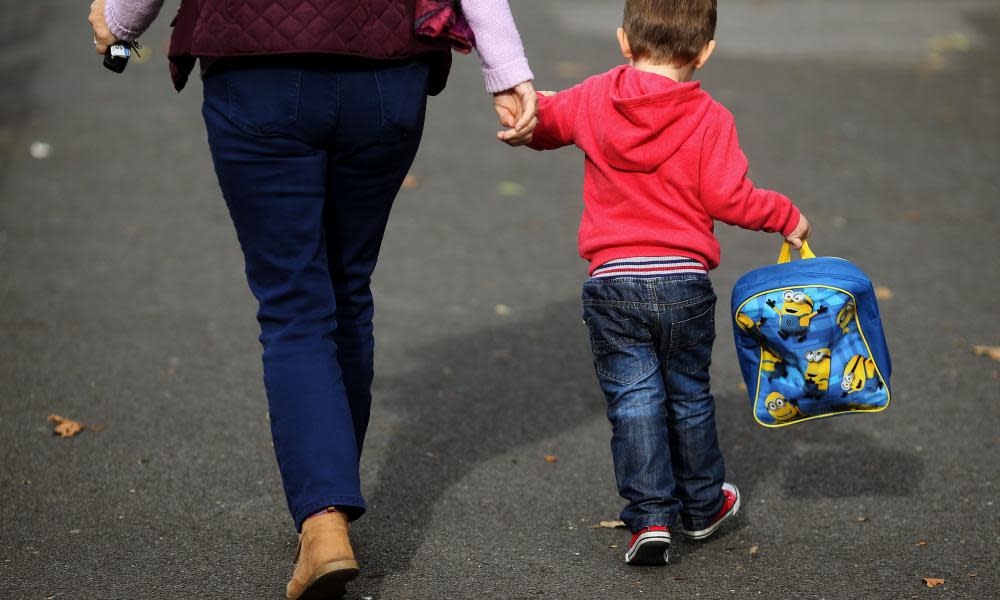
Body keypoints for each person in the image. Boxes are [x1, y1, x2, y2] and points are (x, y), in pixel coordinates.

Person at [89, 0, 537, 597]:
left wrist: (121, 21)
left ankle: (323, 521)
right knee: (347, 286)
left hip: (257, 68)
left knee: (294, 302)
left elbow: (123, 20)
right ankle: (329, 511)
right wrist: (506, 69)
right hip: (386, 70)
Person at [510, 0, 810, 565]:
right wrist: (785, 216)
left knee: (634, 400)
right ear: (705, 52)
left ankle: (649, 517)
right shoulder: (710, 117)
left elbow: (547, 121)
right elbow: (729, 197)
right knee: (690, 395)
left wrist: (523, 113)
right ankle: (700, 506)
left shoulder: (597, 96)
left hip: (613, 281)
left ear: (624, 41)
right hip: (683, 281)